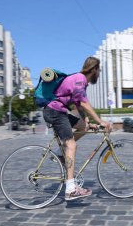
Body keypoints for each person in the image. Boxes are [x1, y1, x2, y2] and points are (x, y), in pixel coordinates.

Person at [43, 56, 112, 201]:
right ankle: (70, 188)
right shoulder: (80, 78)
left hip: (58, 111)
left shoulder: (81, 82)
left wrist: (87, 121)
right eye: (98, 70)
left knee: (84, 127)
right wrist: (100, 121)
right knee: (71, 145)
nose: (99, 73)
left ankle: (60, 153)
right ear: (93, 69)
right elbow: (84, 103)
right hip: (55, 111)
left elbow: (78, 105)